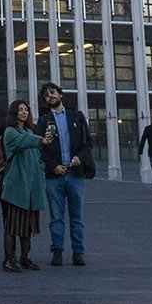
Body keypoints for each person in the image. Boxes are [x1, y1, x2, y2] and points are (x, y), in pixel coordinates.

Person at [38, 81, 92, 267]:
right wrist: (53, 166)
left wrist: (79, 158)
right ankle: (57, 251)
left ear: (60, 94)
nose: (50, 96)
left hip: (75, 174)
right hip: (54, 177)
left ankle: (78, 252)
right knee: (56, 217)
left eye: (53, 92)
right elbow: (40, 148)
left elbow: (87, 144)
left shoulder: (77, 117)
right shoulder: (43, 121)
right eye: (46, 95)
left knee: (77, 217)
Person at [0, 98, 50, 272]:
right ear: (14, 112)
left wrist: (41, 169)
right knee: (12, 226)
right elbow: (24, 141)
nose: (24, 112)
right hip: (16, 186)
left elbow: (37, 155)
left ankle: (25, 258)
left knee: (27, 227)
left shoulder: (28, 130)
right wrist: (41, 139)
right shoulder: (10, 131)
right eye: (20, 109)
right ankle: (9, 260)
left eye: (26, 109)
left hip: (31, 186)